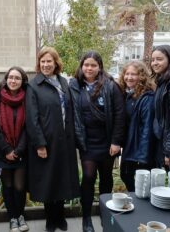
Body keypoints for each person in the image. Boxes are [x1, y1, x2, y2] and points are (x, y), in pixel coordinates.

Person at [26, 46, 80, 232]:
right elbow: (32, 119)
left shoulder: (63, 82)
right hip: (47, 142)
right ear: (39, 64)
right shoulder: (34, 85)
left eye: (49, 61)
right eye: (43, 61)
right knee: (49, 181)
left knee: (63, 179)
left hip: (65, 141)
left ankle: (61, 216)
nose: (46, 64)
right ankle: (51, 219)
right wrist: (40, 143)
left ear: (56, 63)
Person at [69, 51, 125, 232]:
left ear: (99, 67)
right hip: (87, 142)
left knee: (106, 178)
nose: (89, 68)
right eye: (86, 65)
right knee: (88, 177)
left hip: (107, 141)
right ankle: (86, 218)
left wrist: (116, 141)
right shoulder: (75, 85)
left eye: (93, 65)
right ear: (81, 66)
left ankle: (104, 213)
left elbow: (119, 115)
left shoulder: (110, 86)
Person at [0, 66, 29, 232]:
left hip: (21, 151)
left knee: (20, 186)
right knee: (8, 186)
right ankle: (12, 218)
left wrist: (19, 150)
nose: (13, 81)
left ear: (22, 81)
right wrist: (6, 149)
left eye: (17, 78)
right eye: (11, 77)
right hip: (1, 151)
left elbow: (29, 127)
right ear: (6, 79)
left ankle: (21, 216)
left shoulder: (27, 98)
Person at [118, 61, 156, 191]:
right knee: (125, 175)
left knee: (139, 180)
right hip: (130, 144)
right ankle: (136, 199)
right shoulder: (127, 94)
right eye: (127, 74)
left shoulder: (147, 97)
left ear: (142, 76)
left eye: (133, 74)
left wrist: (143, 156)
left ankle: (140, 204)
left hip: (140, 147)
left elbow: (147, 128)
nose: (129, 77)